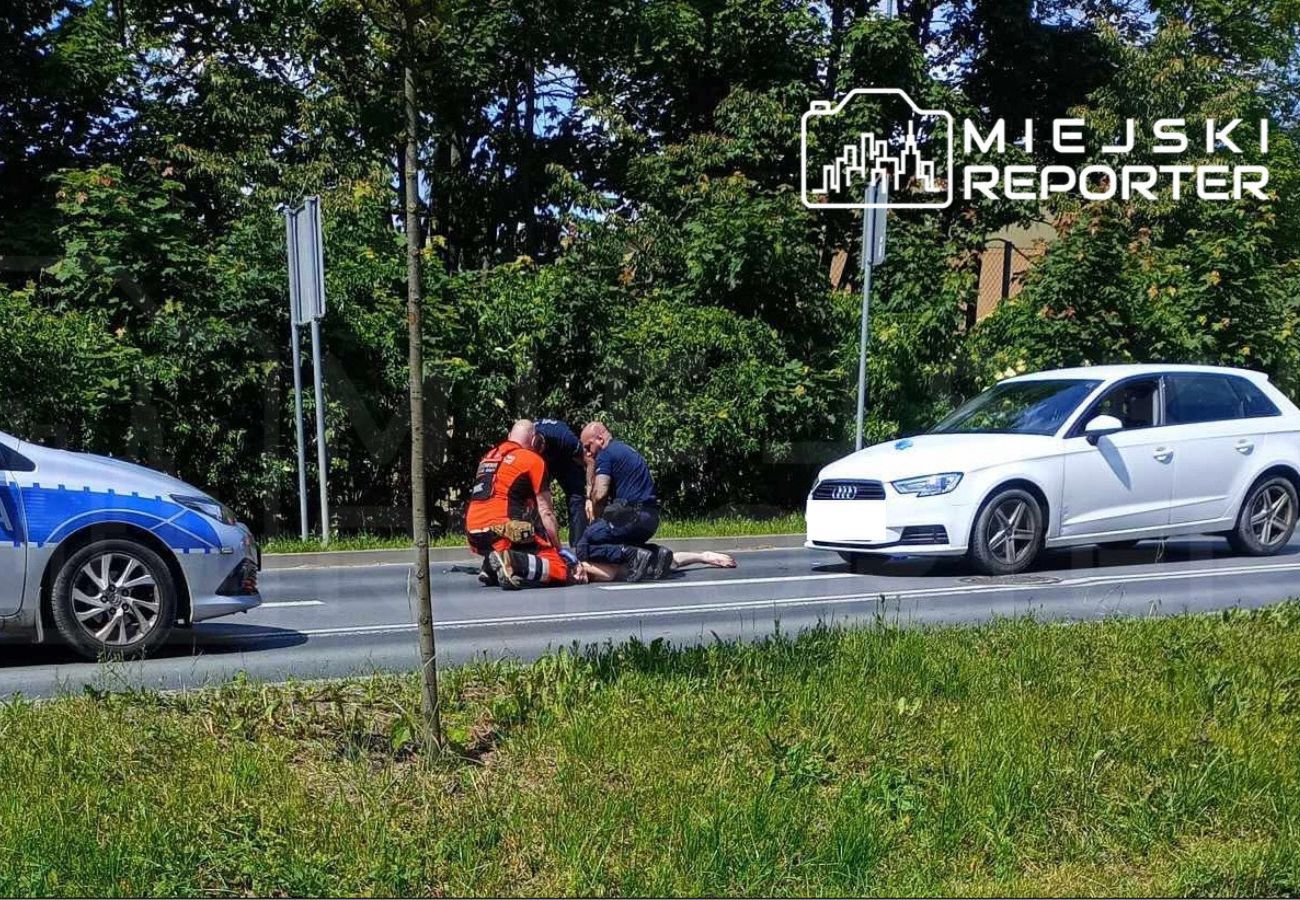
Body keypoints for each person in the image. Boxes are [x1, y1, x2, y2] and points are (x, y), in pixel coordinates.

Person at [465, 420, 585, 589]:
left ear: (509, 436)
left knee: (524, 532)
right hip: (503, 530)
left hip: (474, 533)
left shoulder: (488, 457)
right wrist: (558, 549)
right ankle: (512, 561)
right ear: (535, 440)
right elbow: (546, 512)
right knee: (558, 568)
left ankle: (492, 564)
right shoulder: (532, 460)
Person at [575, 421, 668, 581]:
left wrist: (595, 519)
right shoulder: (625, 449)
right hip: (651, 518)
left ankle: (631, 555)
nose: (588, 453)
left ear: (600, 439)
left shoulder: (606, 454)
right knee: (613, 539)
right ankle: (656, 554)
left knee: (584, 544)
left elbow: (601, 494)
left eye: (588, 447)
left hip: (631, 517)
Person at [532, 418, 589, 547]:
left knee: (576, 496)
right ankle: (539, 540)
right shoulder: (527, 436)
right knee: (534, 497)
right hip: (535, 461)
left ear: (544, 443)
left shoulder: (565, 438)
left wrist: (590, 490)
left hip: (563, 459)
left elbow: (585, 460)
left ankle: (578, 545)